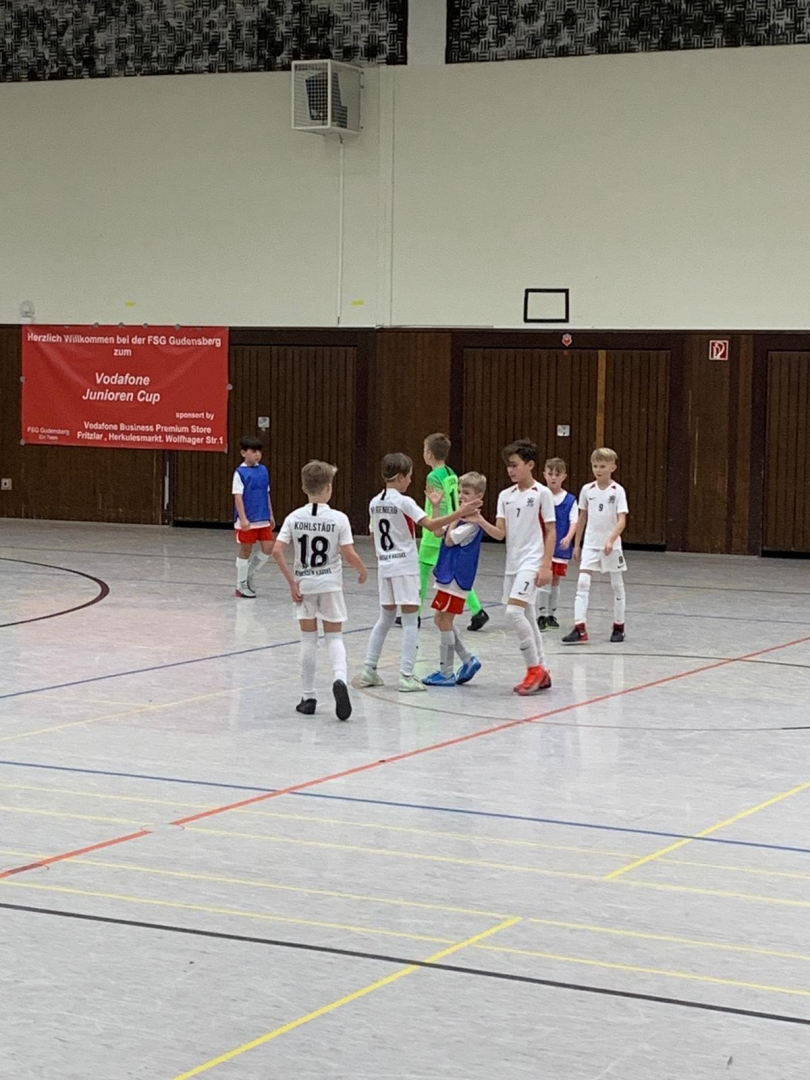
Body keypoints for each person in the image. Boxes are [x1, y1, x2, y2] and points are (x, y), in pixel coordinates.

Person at [359, 453, 482, 693]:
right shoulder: (404, 502)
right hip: (404, 566)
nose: (410, 481)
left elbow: (374, 535)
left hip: (384, 566)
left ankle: (369, 670)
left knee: (385, 619)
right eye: (409, 477)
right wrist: (460, 512)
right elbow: (432, 525)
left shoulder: (374, 502)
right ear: (401, 477)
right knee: (409, 622)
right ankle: (406, 675)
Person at [273, 460, 368, 720]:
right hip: (330, 584)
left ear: (304, 487)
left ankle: (308, 697)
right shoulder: (339, 518)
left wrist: (292, 582)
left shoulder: (294, 517)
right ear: (328, 488)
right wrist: (362, 570)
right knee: (334, 637)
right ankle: (339, 679)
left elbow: (277, 551)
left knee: (308, 639)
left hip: (304, 584)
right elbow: (349, 554)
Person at [475, 439, 556, 695]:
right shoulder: (505, 496)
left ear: (530, 465)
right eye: (508, 466)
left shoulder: (542, 493)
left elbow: (551, 530)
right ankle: (543, 670)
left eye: (515, 465)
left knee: (513, 612)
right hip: (513, 564)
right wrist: (479, 520)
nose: (510, 470)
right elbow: (500, 533)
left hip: (532, 562)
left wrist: (546, 565)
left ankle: (533, 669)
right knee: (528, 615)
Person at [419, 433, 489, 632]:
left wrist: (440, 522)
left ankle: (414, 614)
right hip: (452, 522)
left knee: (422, 572)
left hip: (440, 527)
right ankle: (477, 610)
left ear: (429, 454)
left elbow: (441, 504)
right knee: (452, 576)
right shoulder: (450, 472)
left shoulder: (433, 476)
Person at [422, 472, 487, 687]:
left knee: (444, 621)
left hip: (456, 578)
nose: (460, 496)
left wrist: (455, 515)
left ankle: (446, 672)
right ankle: (467, 659)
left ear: (478, 497)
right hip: (447, 576)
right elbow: (437, 532)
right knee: (440, 619)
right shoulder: (459, 518)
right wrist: (437, 508)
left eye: (466, 493)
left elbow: (449, 540)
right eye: (459, 492)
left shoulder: (472, 523)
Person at [562, 447, 629, 644]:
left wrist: (610, 540)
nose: (598, 470)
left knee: (617, 585)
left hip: (611, 546)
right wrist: (577, 545)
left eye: (602, 466)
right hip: (591, 544)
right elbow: (582, 517)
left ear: (612, 467)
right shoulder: (587, 490)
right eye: (595, 466)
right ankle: (579, 628)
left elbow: (621, 521)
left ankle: (619, 626)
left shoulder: (617, 491)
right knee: (582, 583)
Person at [536, 457, 578, 631]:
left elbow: (574, 521)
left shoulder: (569, 500)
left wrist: (568, 537)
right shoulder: (539, 496)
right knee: (543, 578)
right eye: (550, 473)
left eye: (557, 474)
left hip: (560, 546)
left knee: (555, 580)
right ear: (544, 475)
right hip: (542, 545)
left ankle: (552, 614)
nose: (553, 477)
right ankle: (541, 614)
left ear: (564, 477)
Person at [232, 435, 275, 598]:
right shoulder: (240, 473)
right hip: (248, 519)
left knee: (268, 548)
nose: (257, 454)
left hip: (262, 517)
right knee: (246, 549)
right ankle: (241, 584)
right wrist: (243, 518)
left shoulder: (263, 470)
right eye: (253, 451)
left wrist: (271, 514)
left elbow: (267, 493)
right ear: (244, 453)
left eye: (259, 451)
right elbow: (238, 497)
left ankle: (248, 573)